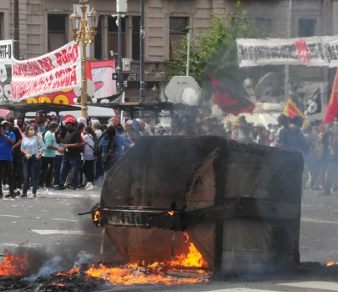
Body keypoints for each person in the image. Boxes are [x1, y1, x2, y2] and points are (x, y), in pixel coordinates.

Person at [56, 116, 83, 191]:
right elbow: (66, 142)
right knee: (63, 170)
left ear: (71, 124)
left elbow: (79, 144)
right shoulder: (67, 132)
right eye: (66, 123)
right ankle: (61, 184)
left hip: (74, 156)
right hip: (66, 155)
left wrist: (68, 145)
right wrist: (61, 140)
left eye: (68, 123)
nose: (66, 125)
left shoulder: (77, 132)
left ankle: (74, 186)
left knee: (74, 172)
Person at [20, 124, 45, 198]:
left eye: (32, 129)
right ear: (27, 130)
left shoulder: (37, 138)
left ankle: (34, 192)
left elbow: (43, 147)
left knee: (34, 176)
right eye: (30, 129)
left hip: (35, 158)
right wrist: (26, 153)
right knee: (26, 176)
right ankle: (24, 192)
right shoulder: (25, 138)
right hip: (27, 158)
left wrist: (39, 153)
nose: (31, 131)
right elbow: (22, 148)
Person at [41, 122, 63, 189]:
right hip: (47, 155)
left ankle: (47, 183)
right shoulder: (49, 134)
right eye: (56, 127)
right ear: (53, 127)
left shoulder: (51, 133)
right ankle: (46, 183)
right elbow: (48, 145)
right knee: (47, 170)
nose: (57, 129)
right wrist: (57, 148)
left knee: (49, 170)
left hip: (50, 155)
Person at [0, 120, 17, 198]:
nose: (5, 127)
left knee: (10, 176)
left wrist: (4, 135)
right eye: (3, 126)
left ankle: (12, 192)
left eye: (6, 126)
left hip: (8, 158)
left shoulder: (11, 134)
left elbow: (12, 142)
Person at [82, 126, 97, 190]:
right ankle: (90, 182)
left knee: (85, 168)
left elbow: (82, 144)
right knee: (89, 168)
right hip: (93, 154)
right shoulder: (93, 136)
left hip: (87, 154)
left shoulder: (86, 136)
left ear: (86, 130)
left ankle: (90, 181)